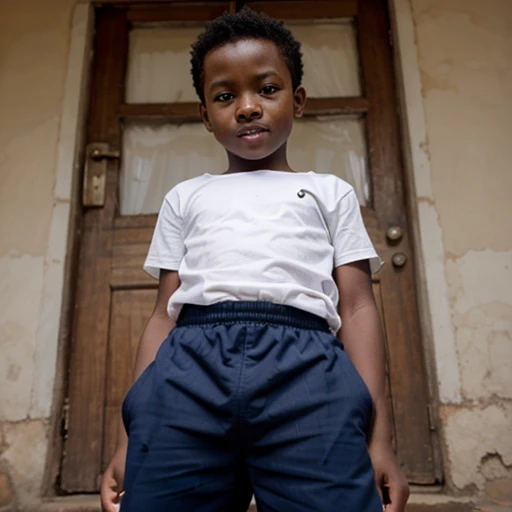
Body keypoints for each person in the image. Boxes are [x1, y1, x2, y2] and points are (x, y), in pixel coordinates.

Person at [101, 7, 409, 512]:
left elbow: (356, 308)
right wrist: (125, 440)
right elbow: (164, 313)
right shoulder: (186, 197)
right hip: (188, 367)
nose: (247, 107)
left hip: (308, 369)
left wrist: (380, 440)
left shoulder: (330, 192)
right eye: (225, 96)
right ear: (205, 114)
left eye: (267, 89)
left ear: (299, 99)